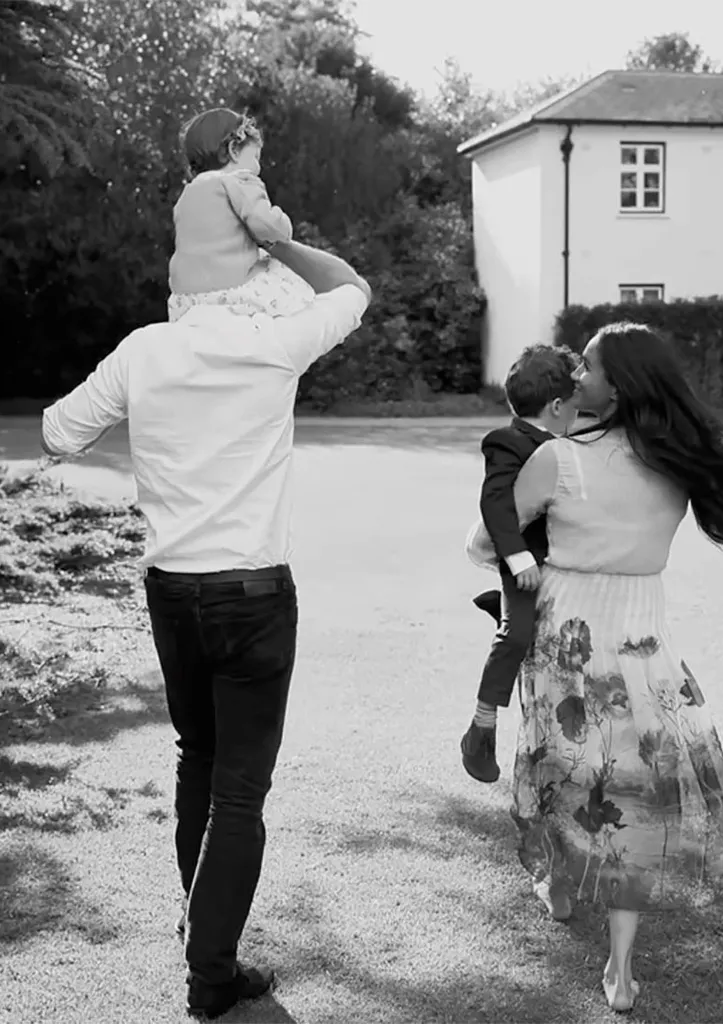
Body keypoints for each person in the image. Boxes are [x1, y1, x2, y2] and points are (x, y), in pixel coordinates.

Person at [41, 239, 372, 1020]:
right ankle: (210, 974)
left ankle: (200, 927)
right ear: (249, 278)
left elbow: (59, 432)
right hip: (251, 595)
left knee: (200, 758)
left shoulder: (145, 349)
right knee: (240, 791)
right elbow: (354, 288)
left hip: (173, 592)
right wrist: (278, 233)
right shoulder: (271, 344)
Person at [466, 322, 723, 1013]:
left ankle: (557, 883)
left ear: (615, 383)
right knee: (636, 790)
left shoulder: (559, 457)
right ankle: (620, 969)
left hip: (568, 631)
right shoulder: (681, 458)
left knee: (560, 761)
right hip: (644, 637)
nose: (575, 377)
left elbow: (479, 546)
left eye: (585, 367)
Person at [460, 345, 579, 784]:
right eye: (573, 408)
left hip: (567, 563)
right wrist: (516, 556)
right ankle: (481, 728)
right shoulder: (507, 443)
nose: (577, 416)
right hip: (524, 562)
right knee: (518, 636)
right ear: (555, 406)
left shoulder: (567, 444)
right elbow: (495, 503)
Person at [168, 107, 315, 323]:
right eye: (255, 157)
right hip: (229, 292)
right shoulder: (238, 180)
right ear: (234, 150)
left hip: (184, 301)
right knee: (282, 268)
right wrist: (283, 223)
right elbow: (268, 227)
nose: (258, 167)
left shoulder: (187, 195)